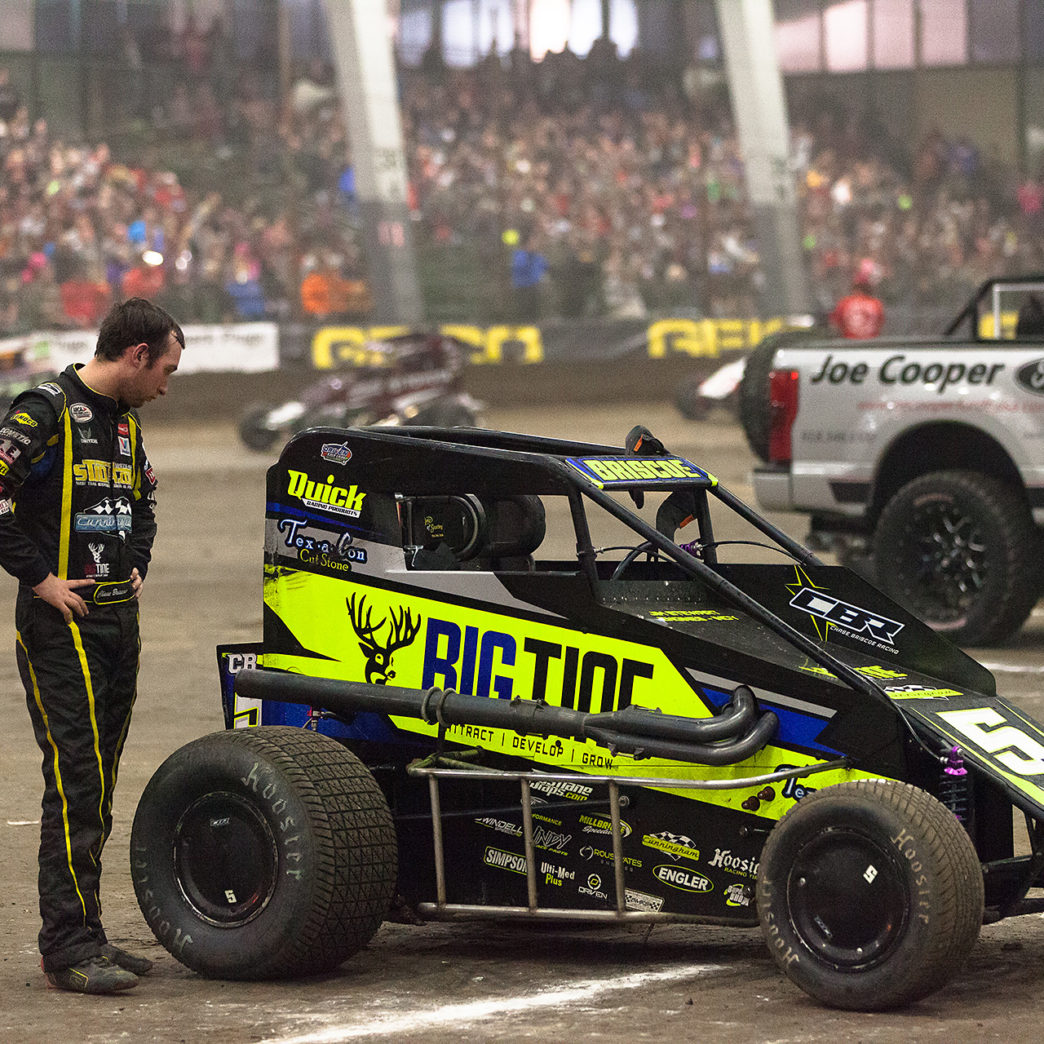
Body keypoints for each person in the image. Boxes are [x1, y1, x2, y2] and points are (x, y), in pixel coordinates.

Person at [0, 298, 184, 995]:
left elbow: (145, 504)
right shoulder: (44, 410)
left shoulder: (126, 425)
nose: (166, 385)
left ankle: (90, 932)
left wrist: (137, 562)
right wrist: (39, 579)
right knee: (77, 780)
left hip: (118, 623)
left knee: (100, 783)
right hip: (61, 628)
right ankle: (67, 946)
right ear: (137, 355)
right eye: (165, 369)